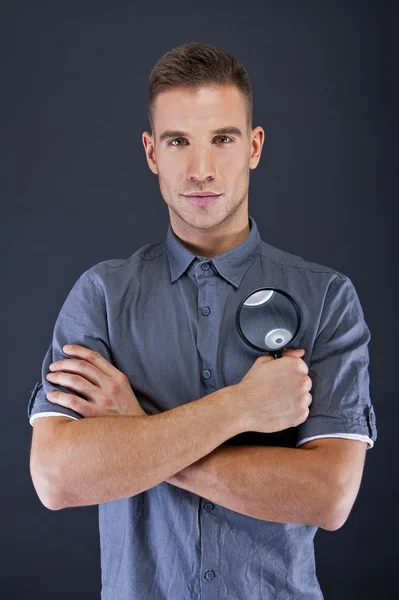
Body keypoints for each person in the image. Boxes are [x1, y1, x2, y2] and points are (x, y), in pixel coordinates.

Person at [28, 42, 377, 600]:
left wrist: (135, 426)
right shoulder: (101, 296)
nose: (201, 169)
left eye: (222, 138)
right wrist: (240, 407)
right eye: (178, 141)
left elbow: (327, 497)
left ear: (254, 146)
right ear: (151, 153)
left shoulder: (327, 298)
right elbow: (56, 478)